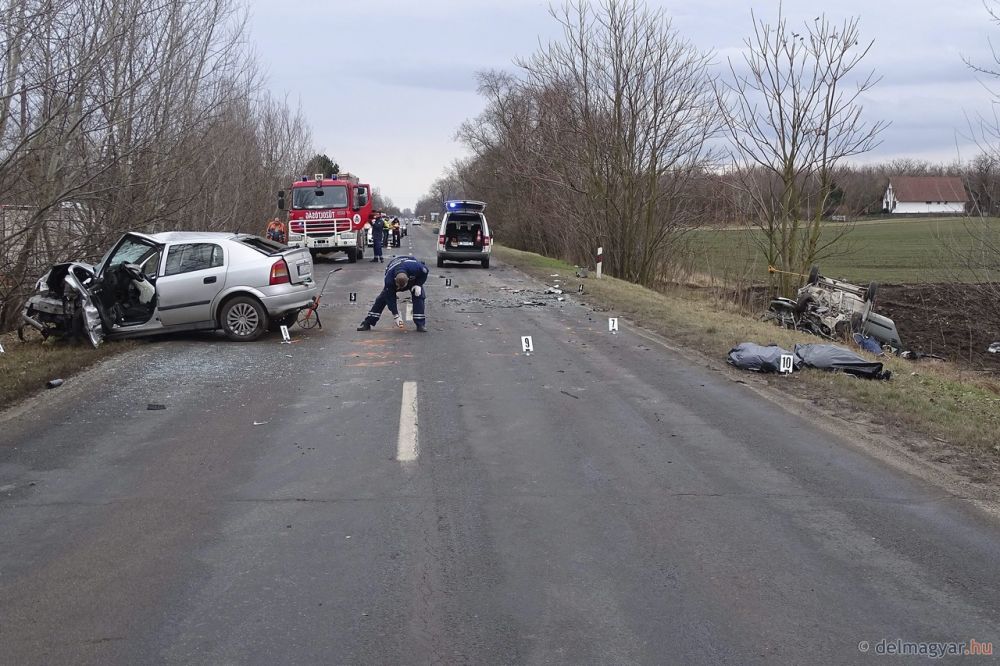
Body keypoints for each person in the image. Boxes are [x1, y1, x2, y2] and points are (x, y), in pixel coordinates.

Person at [357, 255, 429, 332]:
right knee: (382, 298)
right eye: (399, 287)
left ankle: (420, 324)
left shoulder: (416, 267)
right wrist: (396, 315)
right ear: (395, 280)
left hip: (412, 276)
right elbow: (390, 299)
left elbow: (425, 271)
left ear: (408, 279)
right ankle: (368, 323)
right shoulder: (389, 280)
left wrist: (418, 284)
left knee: (419, 295)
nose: (401, 290)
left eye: (402, 287)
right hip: (394, 268)